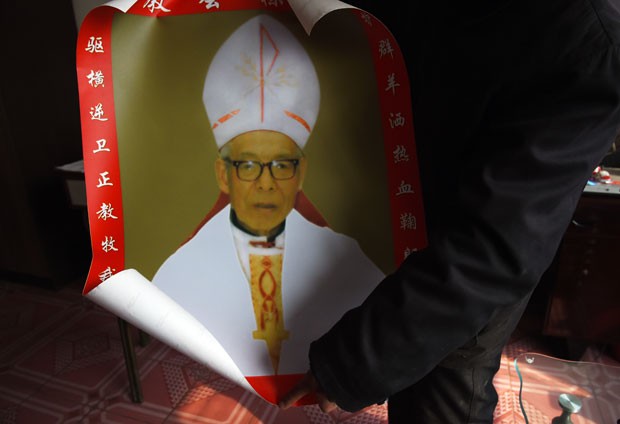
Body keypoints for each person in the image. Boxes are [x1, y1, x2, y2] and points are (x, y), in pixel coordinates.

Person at [279, 0, 620, 422]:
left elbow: (494, 248)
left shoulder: (588, 41)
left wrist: (356, 363)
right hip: (391, 219)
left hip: (459, 277)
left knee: (442, 395)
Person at [151, 13, 384, 383]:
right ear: (222, 175)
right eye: (247, 165)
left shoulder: (346, 254)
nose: (266, 183)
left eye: (281, 165)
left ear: (301, 173)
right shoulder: (181, 267)